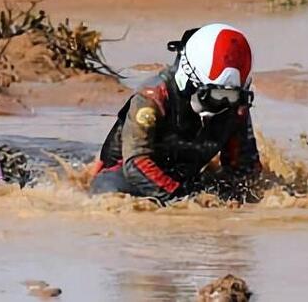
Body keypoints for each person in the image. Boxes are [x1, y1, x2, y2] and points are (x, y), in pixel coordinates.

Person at [90, 23, 261, 203]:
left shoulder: (235, 107)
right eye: (215, 97)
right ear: (190, 81)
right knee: (109, 196)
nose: (223, 105)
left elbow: (244, 169)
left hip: (186, 179)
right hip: (128, 177)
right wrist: (186, 201)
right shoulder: (153, 97)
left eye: (232, 97)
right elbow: (136, 162)